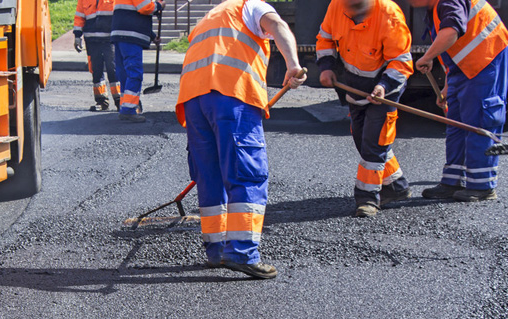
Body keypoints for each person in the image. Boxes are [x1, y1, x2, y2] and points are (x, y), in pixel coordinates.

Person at [175, 0, 305, 279]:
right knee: (246, 173)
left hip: (194, 100)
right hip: (231, 95)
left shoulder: (210, 17)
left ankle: (217, 250)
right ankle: (242, 252)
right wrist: (293, 64)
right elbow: (278, 26)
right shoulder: (251, 6)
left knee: (209, 175)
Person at [317, 0, 414, 217]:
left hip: (385, 89)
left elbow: (401, 62)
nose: (352, 12)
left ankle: (368, 198)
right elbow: (325, 38)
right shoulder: (336, 6)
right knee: (363, 139)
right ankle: (397, 186)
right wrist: (326, 67)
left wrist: (383, 86)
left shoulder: (389, 15)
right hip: (354, 86)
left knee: (374, 143)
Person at [408, 0, 508, 202]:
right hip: (463, 68)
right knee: (455, 123)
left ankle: (482, 186)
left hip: (485, 59)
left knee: (479, 120)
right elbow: (452, 49)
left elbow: (451, 32)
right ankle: (453, 181)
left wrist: (427, 57)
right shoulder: (434, 8)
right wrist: (447, 85)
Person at [111, 0, 165, 122]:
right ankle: (128, 110)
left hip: (120, 34)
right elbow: (145, 7)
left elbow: (132, 14)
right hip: (130, 36)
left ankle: (125, 106)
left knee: (124, 73)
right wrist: (159, 5)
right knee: (134, 73)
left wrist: (151, 36)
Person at [74, 0, 122, 111]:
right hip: (92, 40)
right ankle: (101, 101)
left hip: (110, 39)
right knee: (96, 70)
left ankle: (119, 100)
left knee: (113, 69)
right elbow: (79, 16)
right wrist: (77, 36)